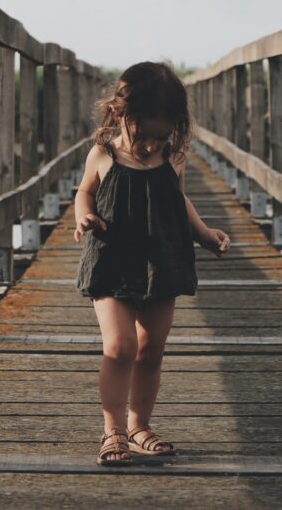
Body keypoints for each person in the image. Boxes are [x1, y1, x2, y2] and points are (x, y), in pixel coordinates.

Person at [73, 61, 231, 466]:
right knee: (120, 346)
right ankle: (113, 430)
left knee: (151, 349)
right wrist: (83, 216)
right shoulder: (102, 154)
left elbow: (179, 202)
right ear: (121, 115)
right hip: (111, 258)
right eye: (144, 136)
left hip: (162, 259)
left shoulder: (172, 158)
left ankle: (139, 425)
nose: (151, 146)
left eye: (162, 138)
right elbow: (84, 193)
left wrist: (204, 233)